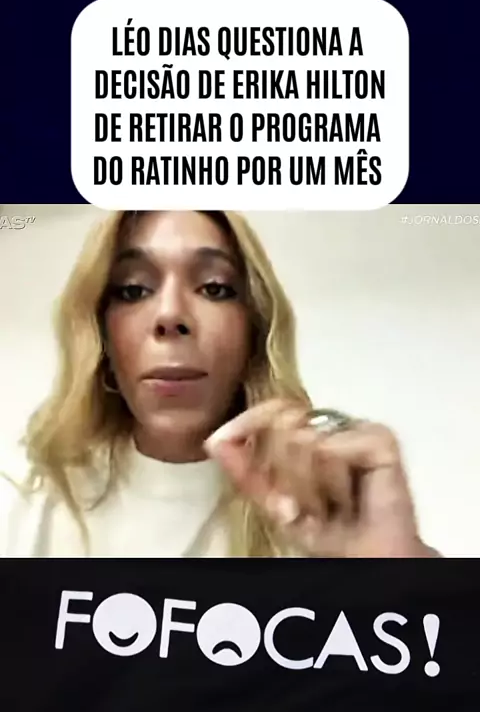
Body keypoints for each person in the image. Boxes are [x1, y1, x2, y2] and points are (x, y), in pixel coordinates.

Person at [0, 210, 439, 559]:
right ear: (102, 338)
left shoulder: (319, 509)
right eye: (133, 290)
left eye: (214, 288)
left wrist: (398, 572)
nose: (170, 315)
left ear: (254, 332)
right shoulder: (28, 510)